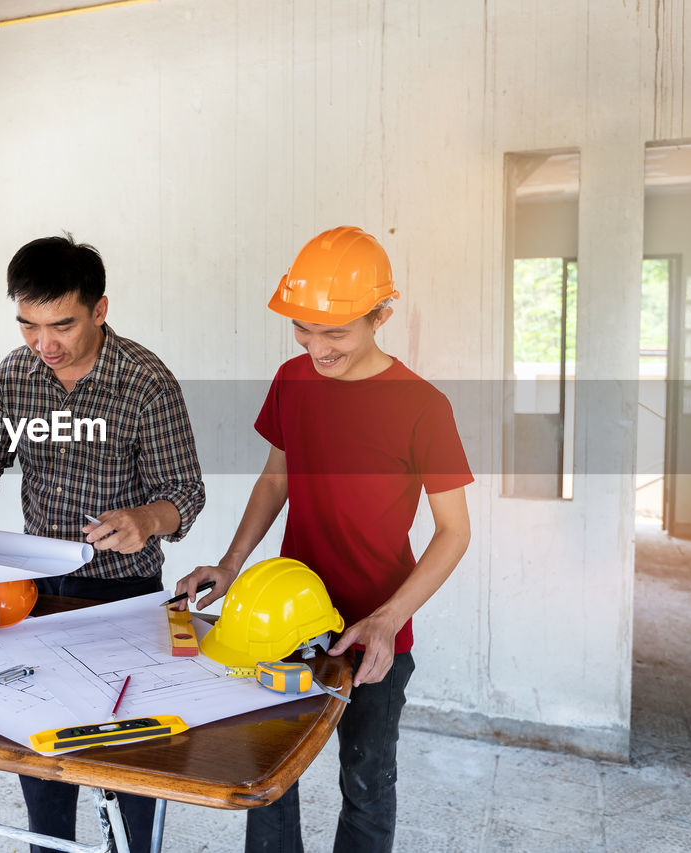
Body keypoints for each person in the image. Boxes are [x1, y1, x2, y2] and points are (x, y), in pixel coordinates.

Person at [176, 227, 473, 853]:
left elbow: (454, 533)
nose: (316, 347)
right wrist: (231, 565)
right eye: (303, 329)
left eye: (334, 332)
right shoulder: (293, 380)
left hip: (374, 639)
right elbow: (275, 478)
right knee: (268, 778)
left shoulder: (423, 407)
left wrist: (388, 620)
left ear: (381, 315)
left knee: (365, 785)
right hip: (286, 623)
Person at [0, 234, 206, 853]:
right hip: (38, 590)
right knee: (46, 752)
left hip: (125, 595)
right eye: (29, 326)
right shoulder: (16, 371)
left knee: (131, 763)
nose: (45, 345)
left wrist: (147, 519)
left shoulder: (145, 384)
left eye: (61, 325)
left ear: (100, 310)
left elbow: (185, 493)